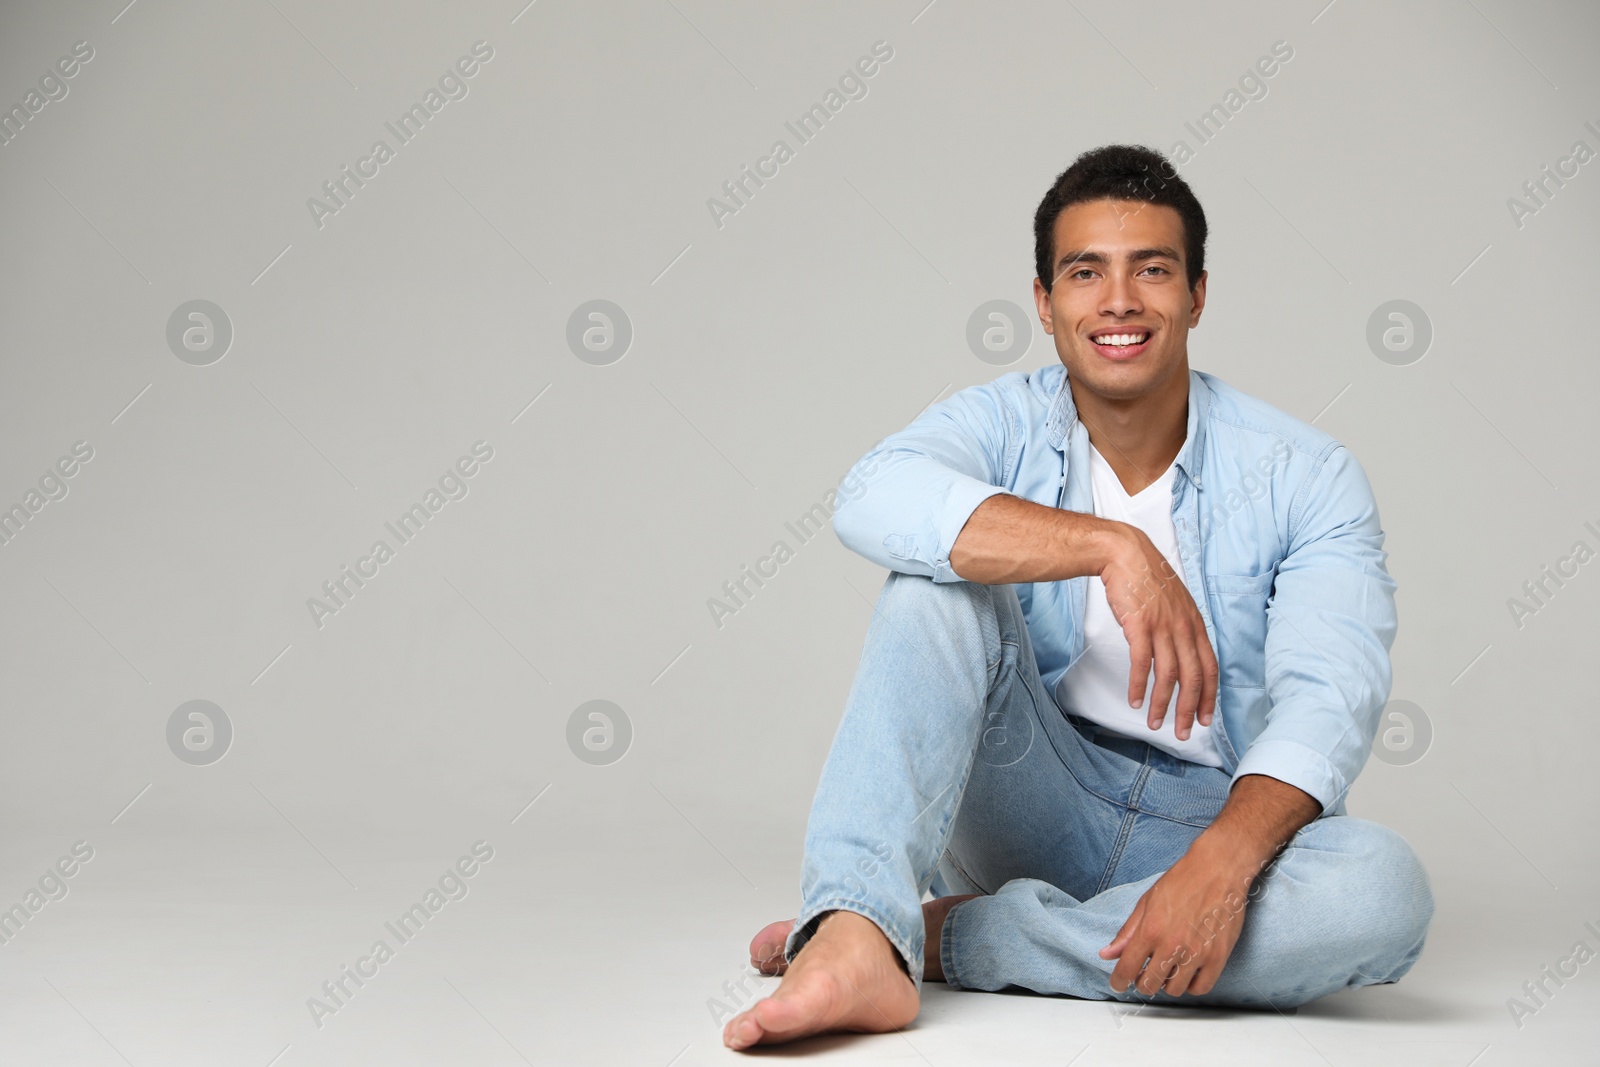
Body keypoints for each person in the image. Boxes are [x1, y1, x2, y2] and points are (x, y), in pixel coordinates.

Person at [722, 144, 1435, 1052]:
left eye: (1154, 270)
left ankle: (935, 936)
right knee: (932, 591)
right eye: (1086, 272)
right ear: (1046, 303)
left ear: (1197, 295)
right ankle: (858, 930)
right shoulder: (1002, 420)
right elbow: (871, 495)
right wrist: (1111, 547)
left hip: (1206, 820)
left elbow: (1329, 696)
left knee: (1383, 891)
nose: (1120, 300)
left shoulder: (1308, 475)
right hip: (1031, 791)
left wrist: (1217, 865)